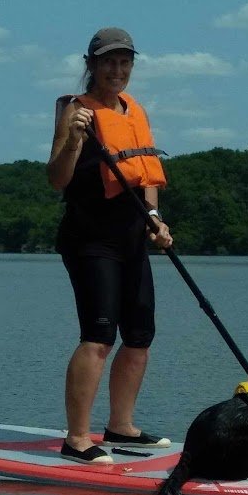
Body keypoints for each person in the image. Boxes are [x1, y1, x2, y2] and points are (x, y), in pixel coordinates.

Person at [47, 27, 174, 464]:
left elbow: (146, 174)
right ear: (92, 66)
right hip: (90, 239)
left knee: (139, 336)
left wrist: (155, 220)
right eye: (108, 62)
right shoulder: (75, 110)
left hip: (131, 237)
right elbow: (57, 179)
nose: (117, 70)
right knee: (99, 336)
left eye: (124, 63)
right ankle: (77, 438)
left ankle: (121, 427)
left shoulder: (134, 110)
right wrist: (76, 140)